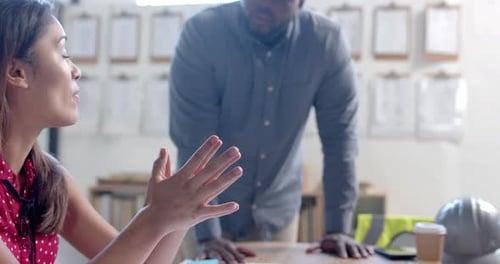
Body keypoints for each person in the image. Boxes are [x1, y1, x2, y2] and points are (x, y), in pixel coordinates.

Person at [0, 0, 244, 263]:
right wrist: (153, 218)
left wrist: (176, 217)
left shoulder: (48, 179)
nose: (76, 71)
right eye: (63, 54)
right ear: (16, 72)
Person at [169, 0, 372, 262]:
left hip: (278, 211)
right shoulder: (202, 34)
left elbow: (340, 141)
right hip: (201, 212)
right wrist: (207, 236)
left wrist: (338, 229)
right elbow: (194, 142)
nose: (263, 4)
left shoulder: (325, 42)